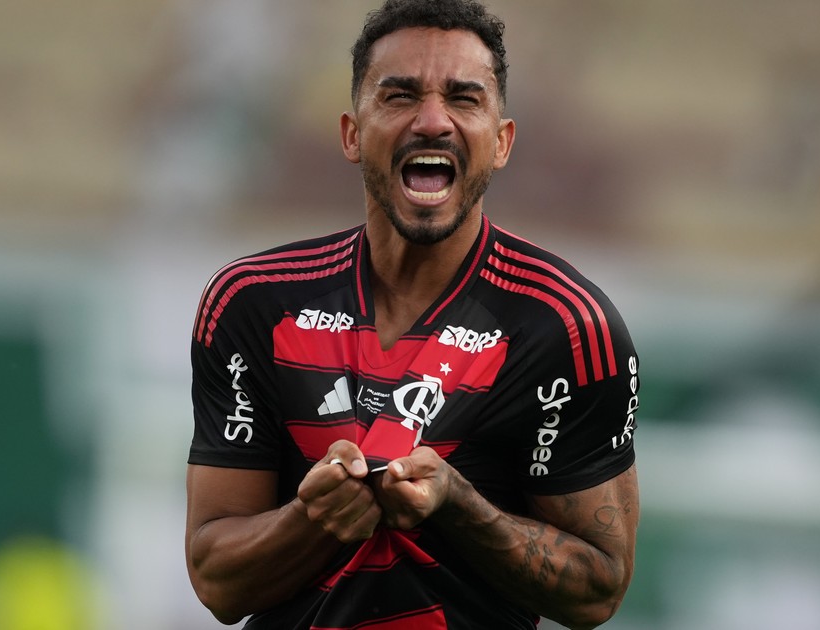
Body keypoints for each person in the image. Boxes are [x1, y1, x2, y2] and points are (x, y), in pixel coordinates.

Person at [185, 1, 641, 628]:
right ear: (352, 134)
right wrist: (312, 520)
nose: (432, 122)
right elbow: (216, 580)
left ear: (502, 141)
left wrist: (458, 505)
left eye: (464, 99)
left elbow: (598, 591)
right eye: (400, 96)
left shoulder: (567, 325)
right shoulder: (252, 302)